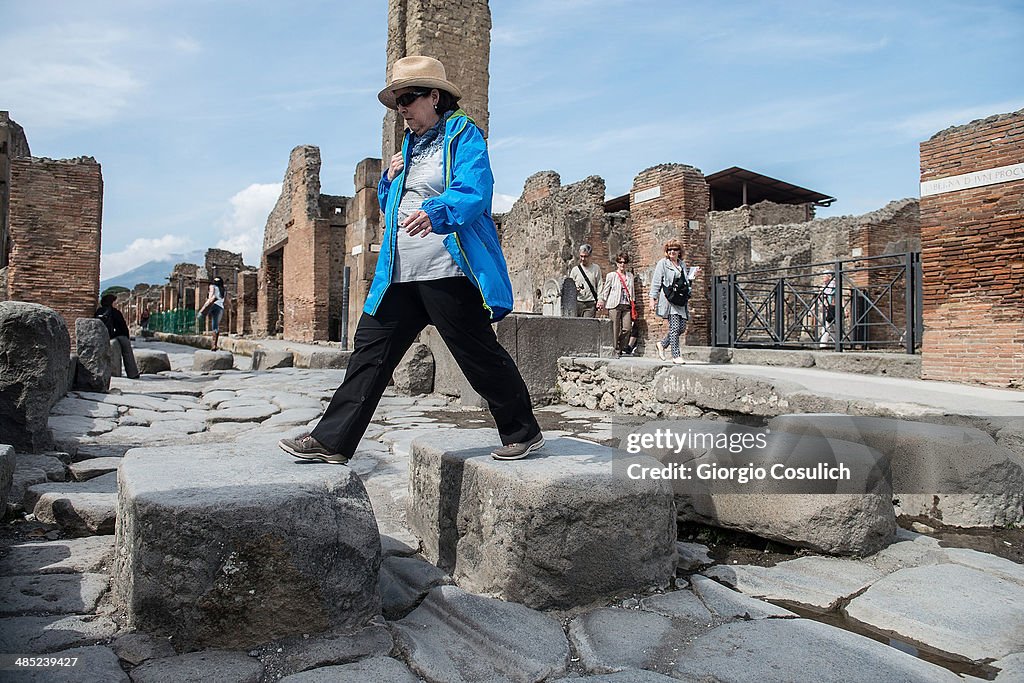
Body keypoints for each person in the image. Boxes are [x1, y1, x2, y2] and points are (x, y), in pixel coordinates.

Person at [279, 55, 543, 465]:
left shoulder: (463, 135)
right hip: (397, 274)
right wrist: (387, 181)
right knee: (369, 354)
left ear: (435, 97)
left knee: (478, 355)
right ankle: (332, 441)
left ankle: (523, 432)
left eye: (409, 98)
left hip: (448, 272)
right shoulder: (408, 147)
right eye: (397, 101)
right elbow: (392, 207)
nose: (402, 108)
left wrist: (438, 212)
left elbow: (476, 190)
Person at [650, 240, 691, 364]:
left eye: (675, 249)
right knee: (674, 327)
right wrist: (652, 299)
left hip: (680, 300)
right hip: (669, 299)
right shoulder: (663, 263)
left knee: (681, 327)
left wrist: (691, 278)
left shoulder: (682, 264)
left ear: (679, 251)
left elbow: (685, 282)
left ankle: (662, 344)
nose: (672, 252)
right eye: (669, 250)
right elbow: (656, 281)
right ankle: (676, 355)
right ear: (666, 252)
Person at [600, 252, 637, 356]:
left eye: (625, 262)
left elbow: (632, 290)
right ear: (617, 263)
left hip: (626, 304)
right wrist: (602, 300)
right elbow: (606, 289)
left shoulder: (630, 276)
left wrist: (633, 302)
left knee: (627, 328)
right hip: (614, 304)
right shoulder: (611, 275)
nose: (622, 264)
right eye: (620, 262)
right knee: (615, 328)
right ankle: (615, 350)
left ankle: (619, 345)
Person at [96, 294, 140, 379]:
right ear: (111, 302)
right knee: (127, 352)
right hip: (118, 335)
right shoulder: (115, 312)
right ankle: (133, 373)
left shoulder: (99, 311)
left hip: (104, 335)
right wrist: (127, 336)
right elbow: (122, 326)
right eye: (115, 302)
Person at [569, 244, 602, 317]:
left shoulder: (596, 269)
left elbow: (599, 284)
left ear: (590, 256)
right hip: (577, 302)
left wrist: (600, 299)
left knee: (588, 325)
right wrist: (575, 290)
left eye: (585, 256)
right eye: (581, 256)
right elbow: (570, 286)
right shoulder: (575, 270)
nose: (583, 259)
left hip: (590, 303)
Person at [198, 276, 226, 351]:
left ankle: (200, 317)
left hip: (212, 304)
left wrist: (206, 304)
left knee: (201, 315)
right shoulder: (223, 290)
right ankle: (214, 345)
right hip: (220, 308)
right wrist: (232, 308)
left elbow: (211, 296)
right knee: (215, 326)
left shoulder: (212, 286)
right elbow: (227, 300)